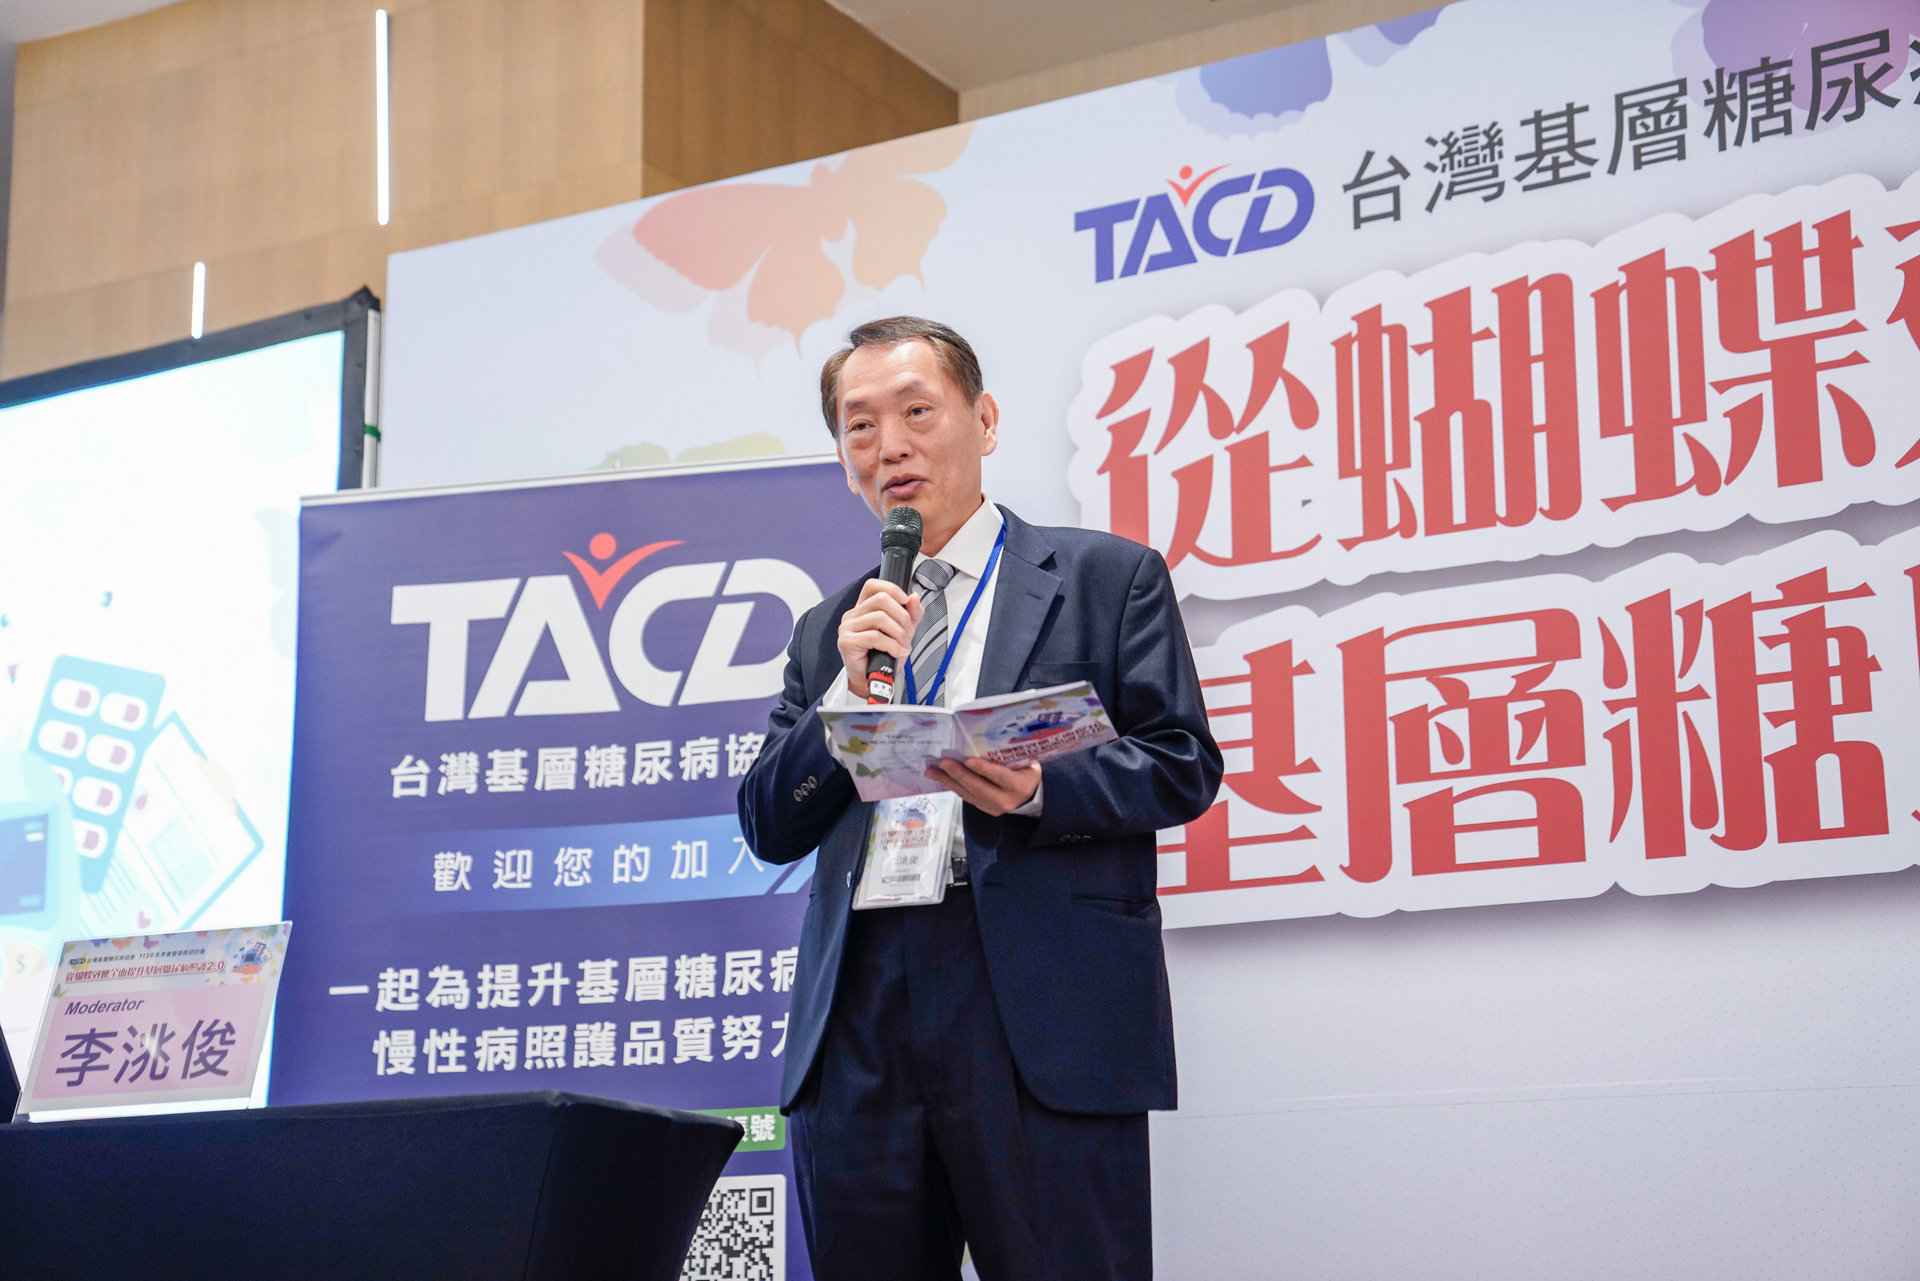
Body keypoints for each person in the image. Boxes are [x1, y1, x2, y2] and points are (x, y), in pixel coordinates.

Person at [737, 316, 1222, 1280]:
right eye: (860, 425)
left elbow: (1181, 762)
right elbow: (769, 821)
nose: (890, 446)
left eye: (917, 412)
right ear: (842, 458)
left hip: (1032, 999)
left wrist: (1041, 787)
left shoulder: (1106, 578)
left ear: (985, 419)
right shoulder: (829, 629)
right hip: (861, 1007)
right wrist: (843, 694)